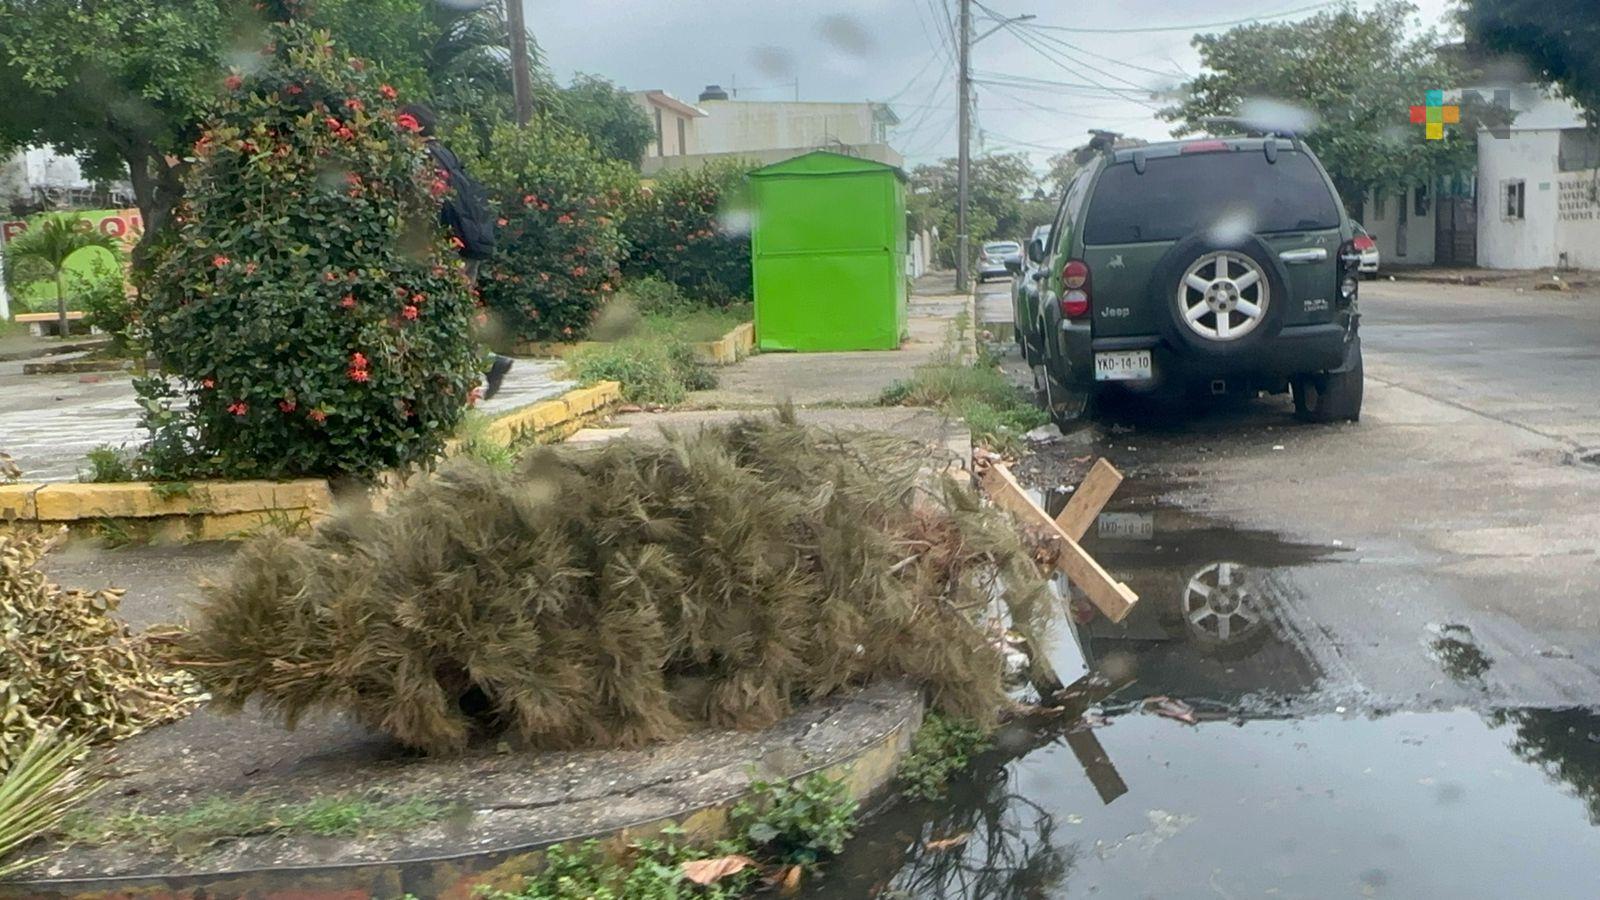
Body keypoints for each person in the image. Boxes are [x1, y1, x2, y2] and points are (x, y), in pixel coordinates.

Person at [402, 103, 514, 400]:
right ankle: (487, 365)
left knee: (442, 316)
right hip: (468, 243)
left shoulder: (421, 158)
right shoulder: (446, 154)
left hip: (447, 248)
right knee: (458, 313)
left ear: (415, 126)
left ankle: (480, 368)